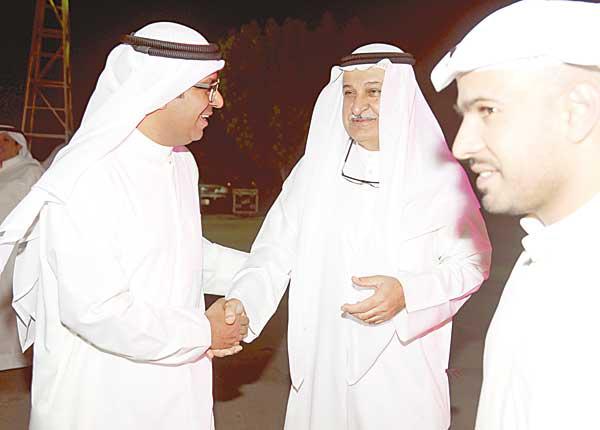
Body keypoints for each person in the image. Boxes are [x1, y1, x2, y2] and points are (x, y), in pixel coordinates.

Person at [220, 43, 492, 429]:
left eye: (373, 91)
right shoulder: (315, 170)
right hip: (322, 364)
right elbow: (274, 250)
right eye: (349, 92)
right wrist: (243, 302)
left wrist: (408, 293)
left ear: (398, 96)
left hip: (398, 370)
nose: (357, 105)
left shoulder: (438, 176)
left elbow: (473, 263)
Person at [0, 23, 248, 429]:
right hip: (102, 398)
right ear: (164, 89)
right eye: (208, 87)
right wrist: (203, 332)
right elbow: (96, 310)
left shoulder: (181, 162)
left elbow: (180, 253)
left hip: (174, 387)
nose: (217, 102)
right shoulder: (89, 175)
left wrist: (267, 268)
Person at [430, 1, 600, 428]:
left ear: (577, 111)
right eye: (465, 115)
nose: (461, 146)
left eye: (487, 110)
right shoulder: (547, 251)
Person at [0, 126, 43, 370]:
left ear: (19, 145)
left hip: (15, 255)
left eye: (6, 140)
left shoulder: (31, 171)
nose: (0, 144)